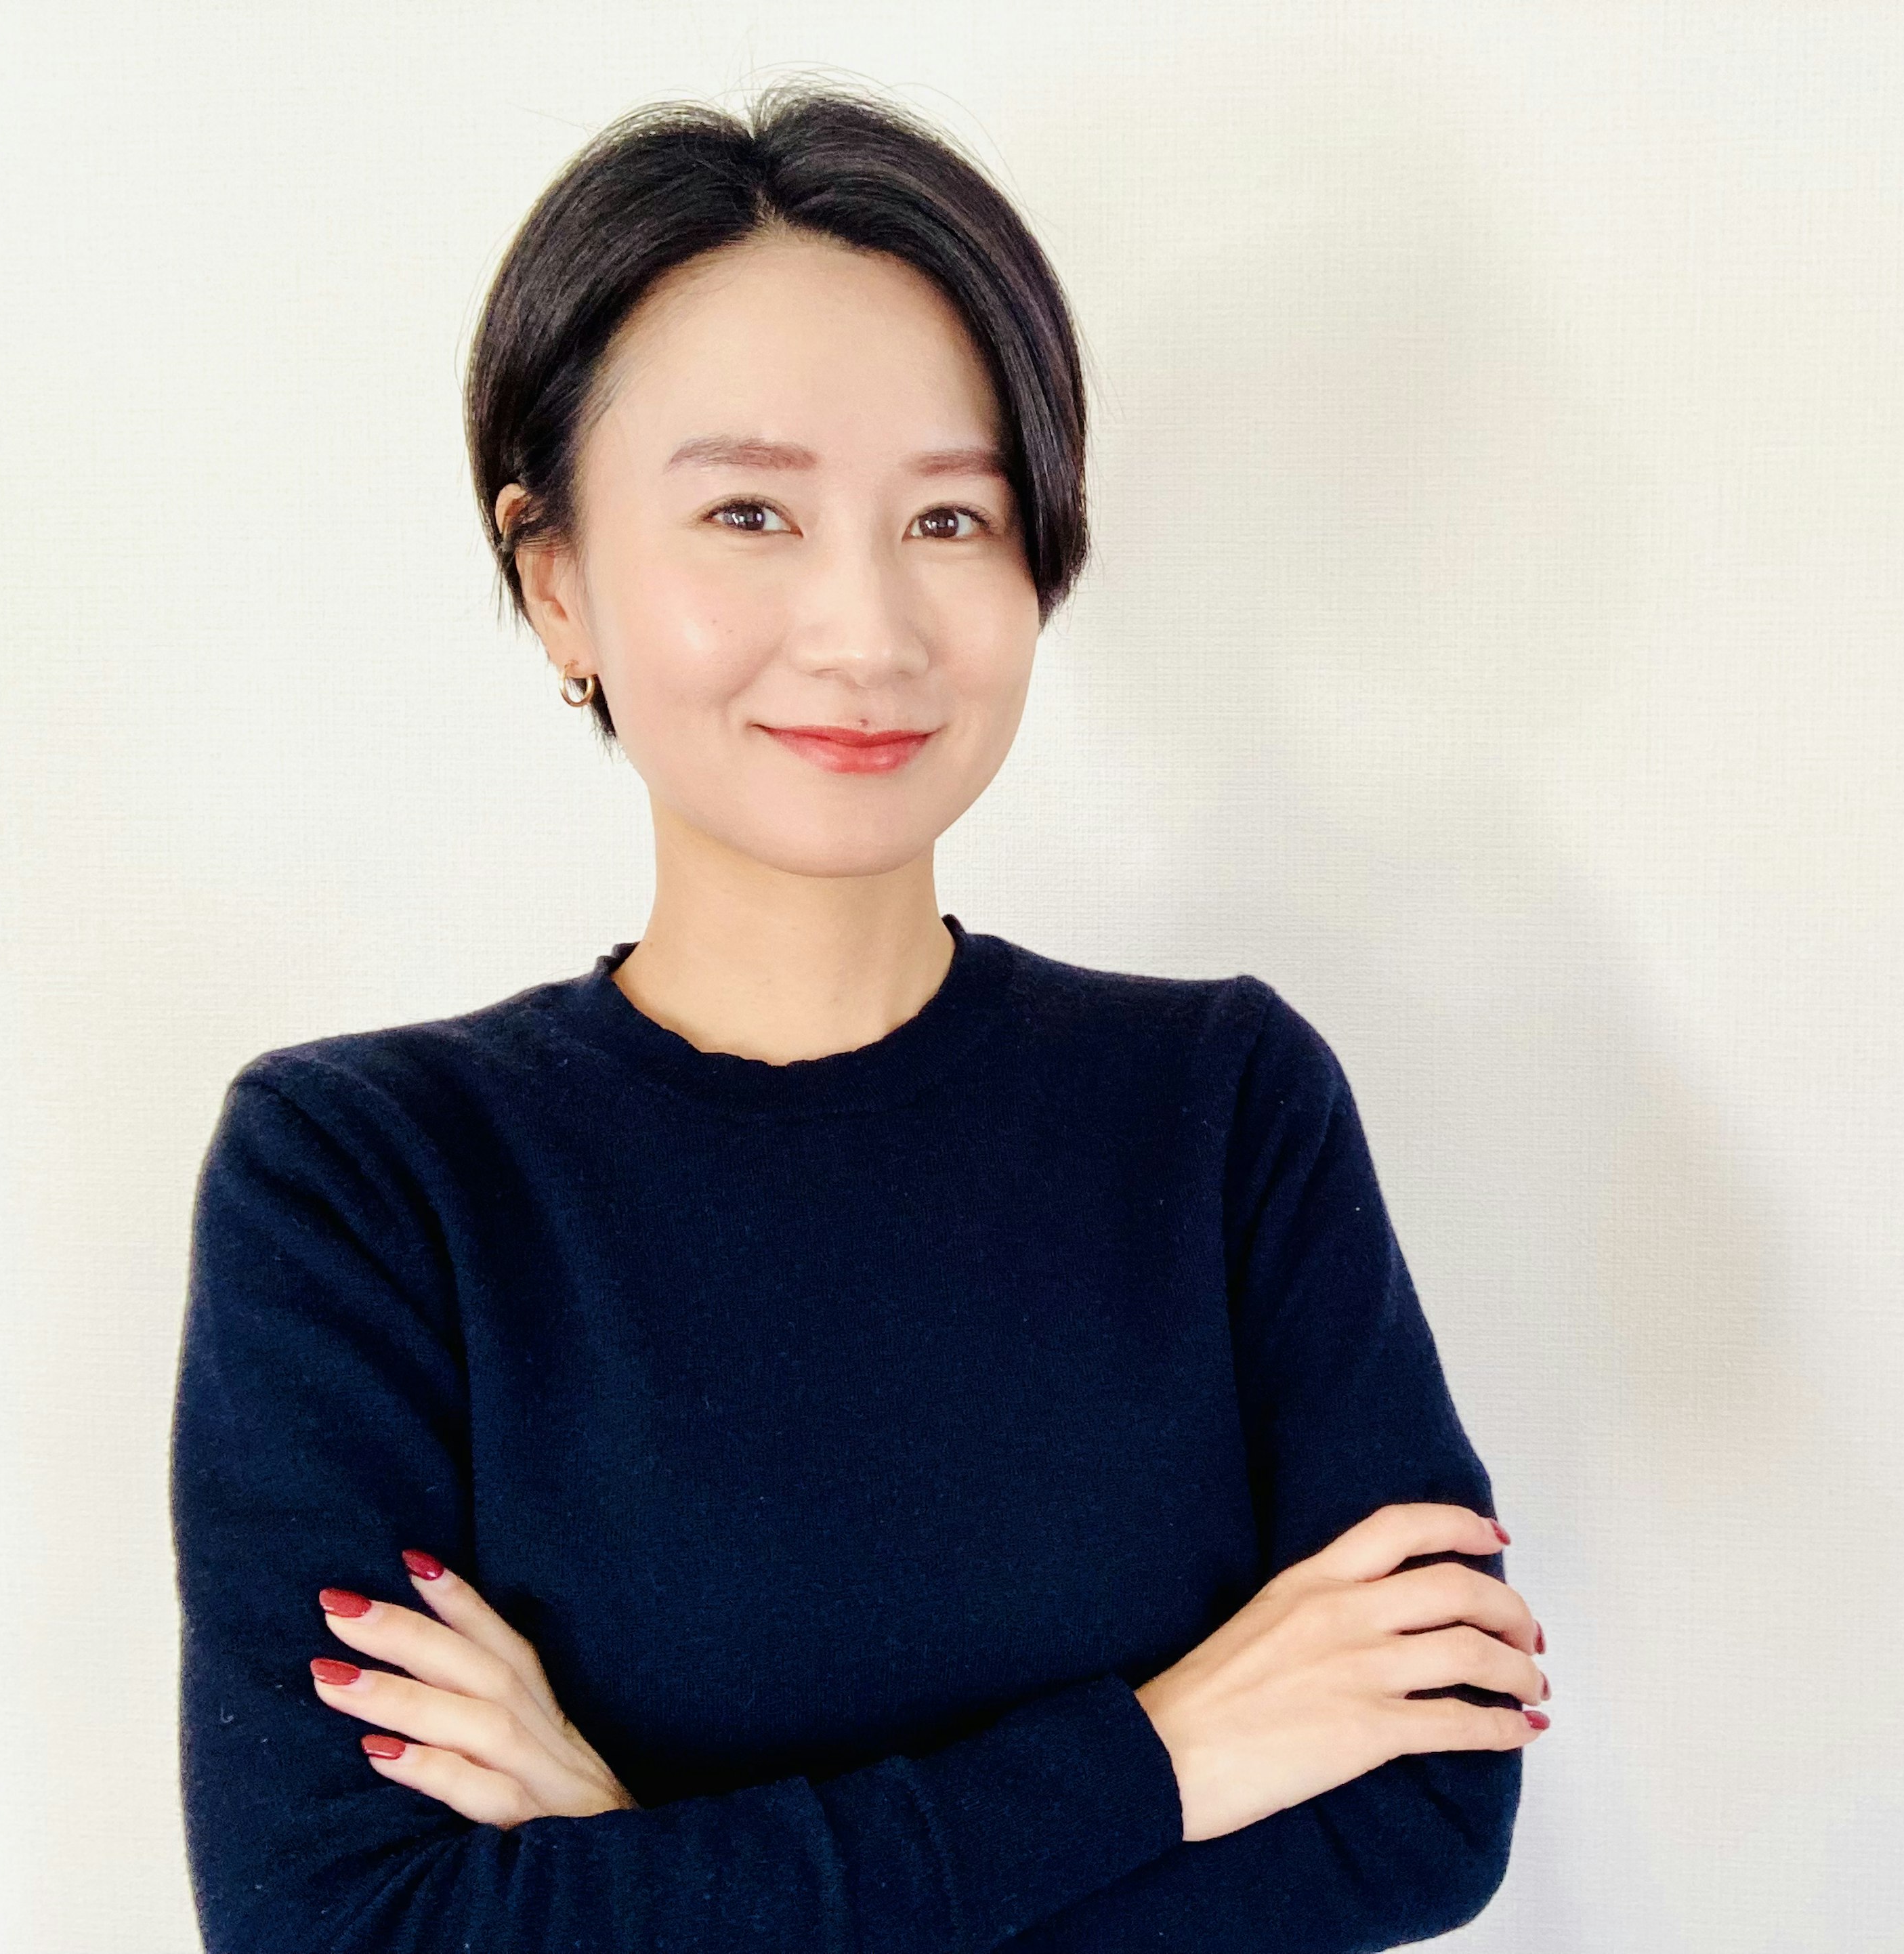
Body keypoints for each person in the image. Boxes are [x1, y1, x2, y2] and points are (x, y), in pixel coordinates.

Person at [169, 81, 1546, 1954]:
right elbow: (347, 1932)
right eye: (749, 510)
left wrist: (629, 1850)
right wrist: (1168, 1756)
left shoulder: (1221, 1109)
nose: (866, 625)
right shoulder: (369, 1179)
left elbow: (1427, 1819)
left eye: (950, 517)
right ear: (555, 574)